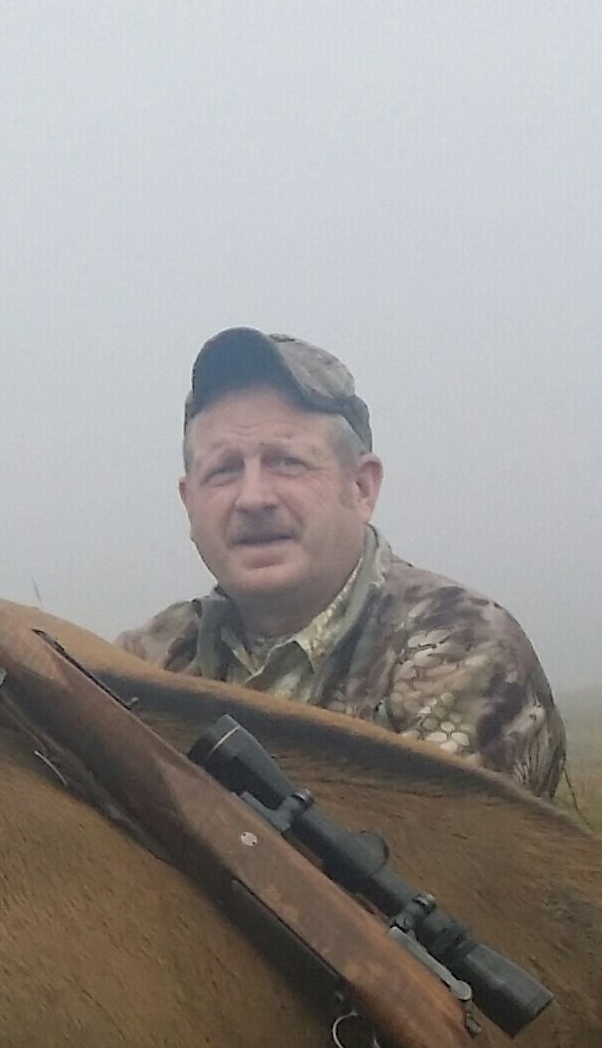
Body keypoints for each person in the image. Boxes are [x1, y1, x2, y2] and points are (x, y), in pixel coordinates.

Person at [116, 328, 566, 799]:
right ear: (190, 504)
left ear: (361, 487)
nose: (253, 498)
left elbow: (421, 863)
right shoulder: (144, 661)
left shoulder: (462, 651)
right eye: (224, 470)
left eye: (287, 462)